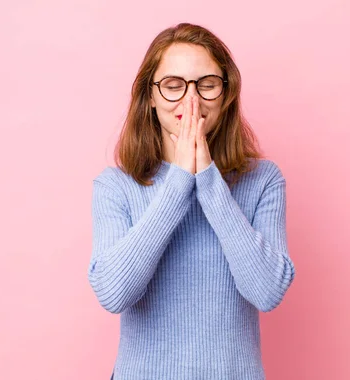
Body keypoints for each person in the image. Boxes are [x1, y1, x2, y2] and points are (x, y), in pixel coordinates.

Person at [88, 22, 296, 380]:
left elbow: (267, 291)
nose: (191, 100)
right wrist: (178, 182)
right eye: (173, 86)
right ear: (150, 96)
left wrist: (208, 180)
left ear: (226, 93)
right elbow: (113, 293)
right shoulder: (116, 186)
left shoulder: (264, 180)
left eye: (207, 85)